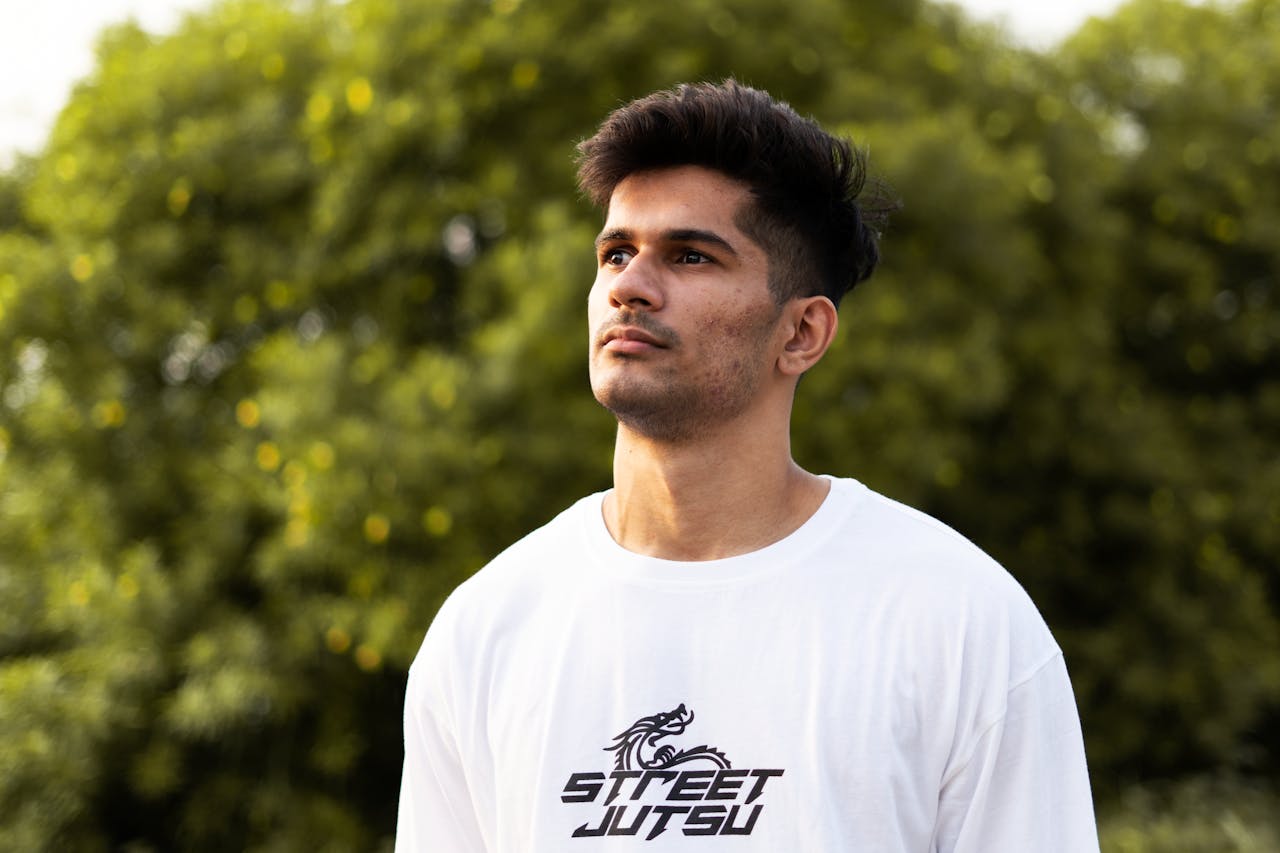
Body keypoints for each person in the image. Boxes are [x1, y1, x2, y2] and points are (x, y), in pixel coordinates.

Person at [396, 80, 1097, 851]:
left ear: (801, 333)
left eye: (690, 255)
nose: (629, 286)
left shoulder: (959, 622)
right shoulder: (487, 627)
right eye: (616, 252)